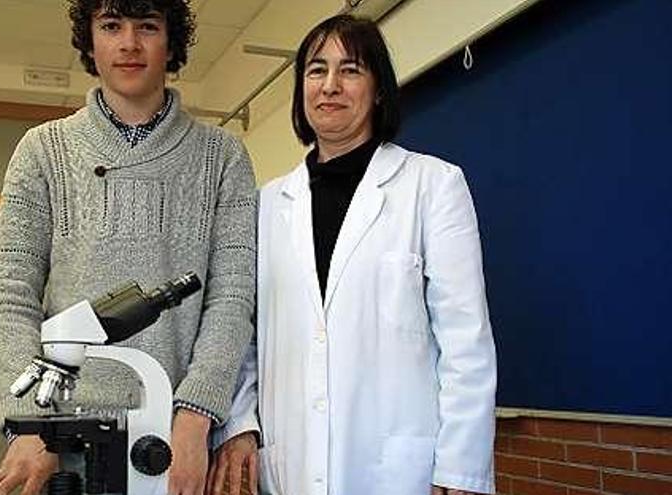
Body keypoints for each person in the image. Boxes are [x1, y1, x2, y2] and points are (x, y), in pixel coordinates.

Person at [0, 1, 257, 494]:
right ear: (90, 40)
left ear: (171, 42)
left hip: (180, 443)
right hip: (61, 443)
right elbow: (10, 296)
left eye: (147, 26)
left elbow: (232, 297)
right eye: (111, 26)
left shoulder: (222, 155)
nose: (129, 42)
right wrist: (29, 423)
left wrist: (196, 415)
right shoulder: (42, 151)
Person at [212, 14, 497, 495]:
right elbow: (243, 336)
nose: (330, 86)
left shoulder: (432, 186)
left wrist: (460, 467)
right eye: (316, 70)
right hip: (290, 462)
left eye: (350, 70)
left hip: (400, 467)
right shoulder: (266, 205)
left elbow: (465, 339)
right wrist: (240, 423)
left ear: (379, 89)